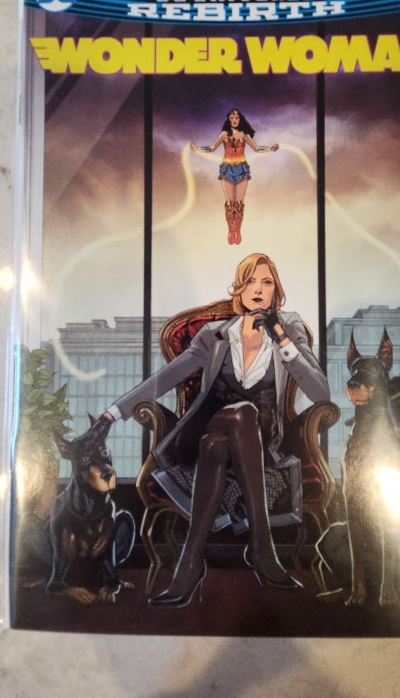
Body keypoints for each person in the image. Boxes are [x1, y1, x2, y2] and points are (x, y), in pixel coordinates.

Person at [95, 253, 330, 607]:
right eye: (250, 281)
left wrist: (281, 339)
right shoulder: (214, 335)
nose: (258, 288)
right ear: (239, 289)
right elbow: (167, 376)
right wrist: (114, 412)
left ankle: (189, 566)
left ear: (276, 292)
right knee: (239, 414)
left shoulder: (290, 328)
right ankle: (262, 549)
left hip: (259, 442)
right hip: (211, 421)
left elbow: (320, 393)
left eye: (266, 282)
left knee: (218, 443)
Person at [190, 108, 279, 244]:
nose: (234, 120)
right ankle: (231, 230)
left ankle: (237, 230)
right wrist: (198, 149)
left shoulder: (244, 134)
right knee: (229, 203)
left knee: (239, 203)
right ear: (229, 120)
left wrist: (270, 149)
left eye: (236, 118)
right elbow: (212, 148)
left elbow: (256, 148)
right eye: (231, 118)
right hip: (227, 169)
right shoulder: (224, 134)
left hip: (242, 169)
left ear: (240, 119)